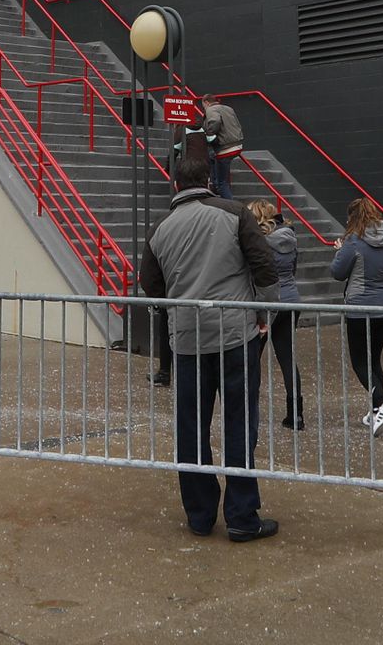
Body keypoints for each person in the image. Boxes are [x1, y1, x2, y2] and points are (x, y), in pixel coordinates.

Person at [137, 138, 278, 544]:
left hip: (187, 342)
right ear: (210, 181)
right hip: (236, 336)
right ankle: (241, 516)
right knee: (239, 424)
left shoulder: (160, 229)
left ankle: (199, 516)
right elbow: (264, 266)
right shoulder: (234, 213)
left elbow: (151, 284)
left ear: (175, 184)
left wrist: (177, 309)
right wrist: (263, 315)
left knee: (191, 429)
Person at [330, 198, 383, 435]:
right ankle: (374, 413)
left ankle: (382, 402)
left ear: (354, 217)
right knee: (374, 359)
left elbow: (338, 273)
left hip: (360, 307)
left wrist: (340, 252)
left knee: (360, 362)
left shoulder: (353, 241)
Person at [250, 200, 305, 430]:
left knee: (253, 358)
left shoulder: (259, 243)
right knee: (286, 357)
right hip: (291, 300)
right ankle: (296, 415)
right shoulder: (290, 239)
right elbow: (292, 270)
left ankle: (250, 409)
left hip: (268, 304)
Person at [195, 97, 245, 198]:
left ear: (206, 102)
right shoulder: (228, 108)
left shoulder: (211, 109)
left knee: (222, 184)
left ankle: (231, 207)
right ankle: (214, 183)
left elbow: (215, 122)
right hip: (237, 145)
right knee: (212, 155)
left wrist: (209, 134)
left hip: (225, 148)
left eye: (203, 105)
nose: (203, 108)